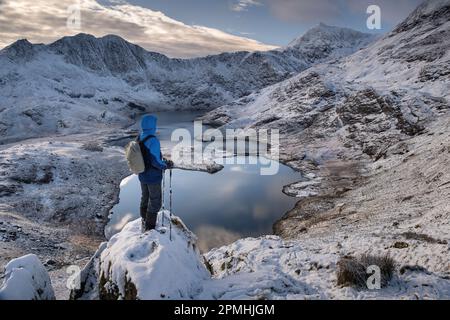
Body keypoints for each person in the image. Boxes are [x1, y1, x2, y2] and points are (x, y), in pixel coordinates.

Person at [138, 115, 173, 231]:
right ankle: (150, 227)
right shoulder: (153, 140)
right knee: (155, 201)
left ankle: (144, 220)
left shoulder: (140, 137)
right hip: (153, 177)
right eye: (155, 123)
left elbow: (146, 157)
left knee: (145, 197)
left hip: (142, 174)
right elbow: (155, 161)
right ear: (152, 125)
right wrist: (166, 165)